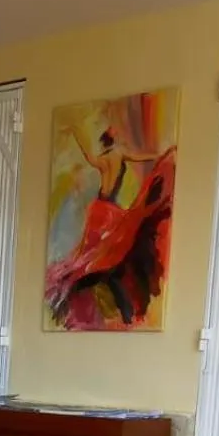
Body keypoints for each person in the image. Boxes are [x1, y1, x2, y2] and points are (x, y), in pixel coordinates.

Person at [46, 123, 177, 330]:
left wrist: (75, 132)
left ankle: (73, 293)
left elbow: (88, 156)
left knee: (96, 262)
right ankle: (112, 306)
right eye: (114, 130)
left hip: (99, 209)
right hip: (108, 213)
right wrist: (161, 153)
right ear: (112, 138)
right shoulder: (119, 154)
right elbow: (142, 157)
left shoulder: (102, 159)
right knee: (102, 261)